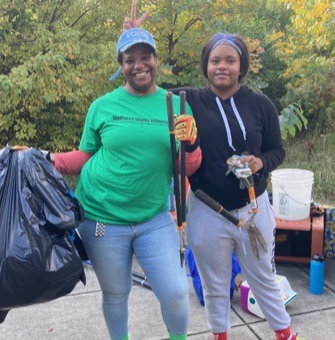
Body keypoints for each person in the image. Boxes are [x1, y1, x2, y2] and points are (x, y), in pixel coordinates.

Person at [124, 3, 304, 340]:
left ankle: (285, 335)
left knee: (264, 276)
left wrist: (259, 162)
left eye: (230, 60)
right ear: (206, 65)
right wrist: (132, 44)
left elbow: (277, 150)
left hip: (254, 208)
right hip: (207, 209)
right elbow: (144, 80)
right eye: (215, 60)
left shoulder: (261, 104)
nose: (222, 66)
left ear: (241, 66)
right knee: (214, 282)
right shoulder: (187, 99)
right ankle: (219, 335)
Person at [49, 24, 202, 340]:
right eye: (129, 59)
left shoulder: (176, 106)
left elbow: (187, 167)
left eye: (145, 56)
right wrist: (46, 159)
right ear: (121, 66)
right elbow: (85, 156)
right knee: (116, 293)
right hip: (101, 219)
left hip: (153, 217)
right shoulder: (103, 106)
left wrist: (192, 144)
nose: (139, 65)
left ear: (156, 60)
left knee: (174, 291)